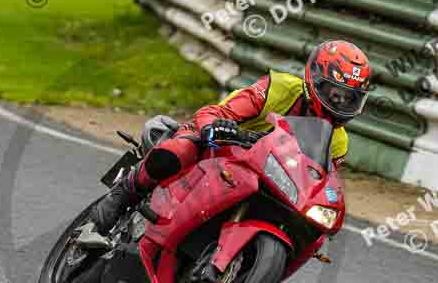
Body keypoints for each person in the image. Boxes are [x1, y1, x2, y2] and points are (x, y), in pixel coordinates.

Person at [79, 40, 371, 248]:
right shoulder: (280, 87)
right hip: (219, 147)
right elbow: (215, 113)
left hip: (265, 179)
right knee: (179, 151)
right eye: (334, 93)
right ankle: (111, 208)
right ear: (313, 80)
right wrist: (217, 127)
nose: (340, 103)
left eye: (349, 98)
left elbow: (317, 182)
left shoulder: (337, 142)